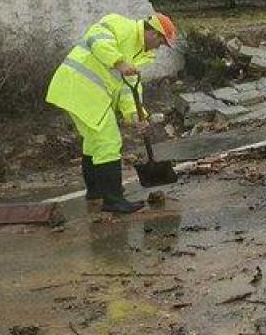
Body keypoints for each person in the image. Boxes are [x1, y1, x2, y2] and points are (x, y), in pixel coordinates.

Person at [46, 13, 177, 213]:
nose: (159, 47)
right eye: (161, 41)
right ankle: (113, 199)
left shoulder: (139, 54)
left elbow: (129, 89)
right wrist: (118, 62)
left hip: (83, 93)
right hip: (79, 88)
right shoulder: (120, 25)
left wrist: (137, 116)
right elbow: (95, 38)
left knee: (93, 142)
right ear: (152, 33)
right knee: (108, 141)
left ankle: (97, 191)